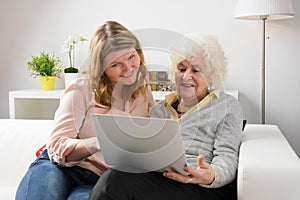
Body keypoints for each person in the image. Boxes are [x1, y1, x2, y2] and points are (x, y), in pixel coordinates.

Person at [90, 33, 243, 200]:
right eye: (182, 69)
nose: (186, 76)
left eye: (196, 70)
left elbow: (227, 156)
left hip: (202, 186)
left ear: (212, 73)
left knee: (114, 182)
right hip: (163, 180)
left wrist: (211, 175)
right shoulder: (159, 110)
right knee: (114, 176)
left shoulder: (226, 105)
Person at [15, 20, 155, 200]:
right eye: (115, 64)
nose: (128, 68)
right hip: (58, 167)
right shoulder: (82, 88)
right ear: (102, 67)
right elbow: (57, 145)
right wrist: (98, 143)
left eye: (131, 57)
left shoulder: (144, 91)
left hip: (100, 179)